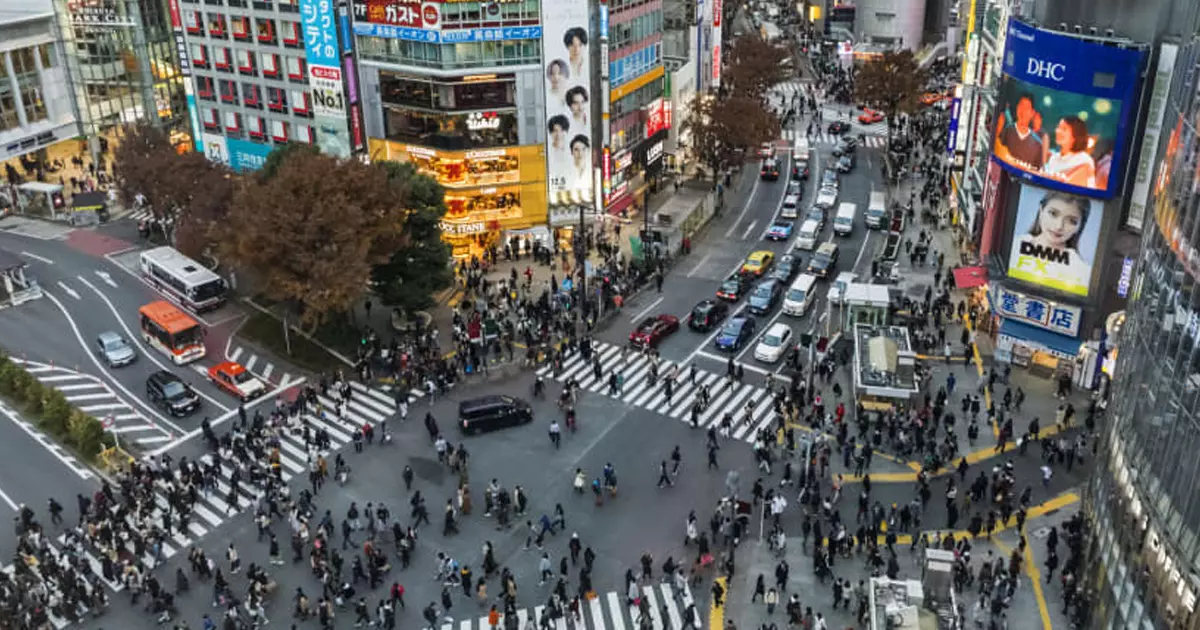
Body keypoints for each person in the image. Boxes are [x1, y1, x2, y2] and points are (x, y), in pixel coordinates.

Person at [1014, 191, 1092, 287]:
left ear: (1080, 226)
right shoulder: (1013, 247)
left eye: (1072, 221)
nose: (1059, 226)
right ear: (1041, 211)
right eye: (1053, 214)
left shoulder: (1083, 272)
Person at [993, 92, 1046, 169]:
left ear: (1032, 113)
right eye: (1021, 105)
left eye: (1027, 108)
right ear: (1017, 108)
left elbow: (1038, 171)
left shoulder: (1038, 144)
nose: (1023, 111)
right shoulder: (1006, 131)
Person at [1043, 116, 1096, 188]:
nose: (1058, 131)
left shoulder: (1084, 159)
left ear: (1075, 136)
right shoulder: (1054, 158)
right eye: (1058, 127)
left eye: (1064, 129)